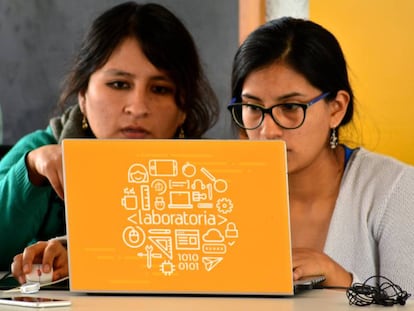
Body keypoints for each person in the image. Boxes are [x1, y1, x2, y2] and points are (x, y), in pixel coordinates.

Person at [4, 1, 219, 283]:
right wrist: (30, 170)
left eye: (160, 89)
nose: (138, 107)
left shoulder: (209, 177)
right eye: (119, 84)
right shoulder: (38, 153)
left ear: (183, 110)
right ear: (83, 94)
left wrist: (82, 258)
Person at [227, 17, 414, 292]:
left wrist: (343, 282)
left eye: (290, 106)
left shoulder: (394, 189)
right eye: (253, 107)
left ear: (336, 108)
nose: (268, 131)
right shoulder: (222, 190)